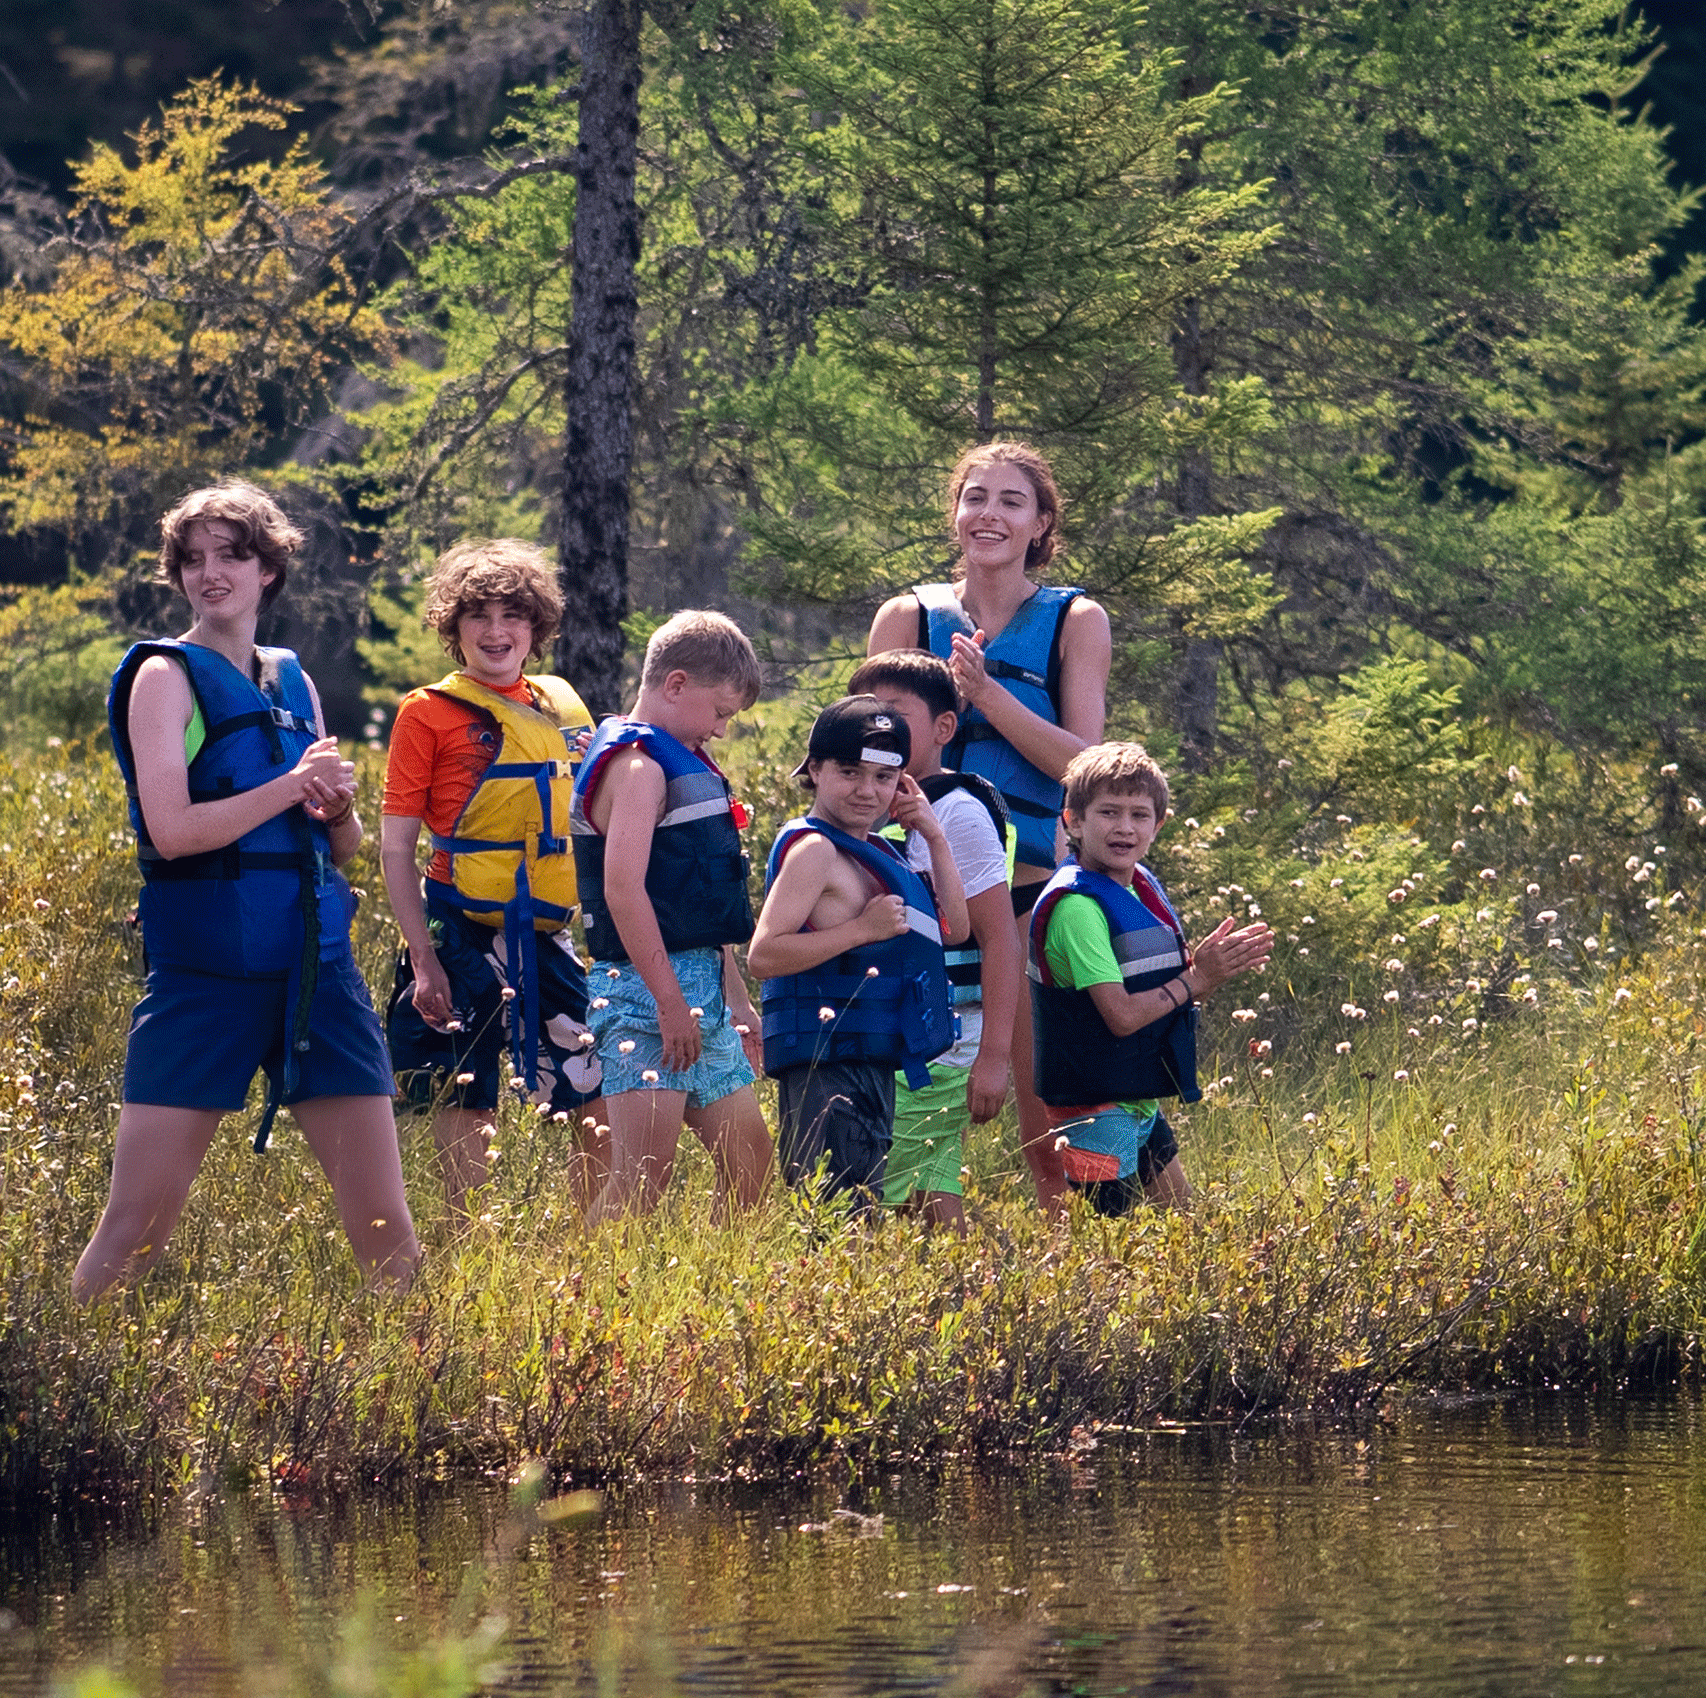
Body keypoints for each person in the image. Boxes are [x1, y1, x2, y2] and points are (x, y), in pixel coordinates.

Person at [74, 482, 420, 1302]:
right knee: (135, 1233)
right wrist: (291, 786)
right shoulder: (165, 677)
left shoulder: (293, 683)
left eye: (231, 554)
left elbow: (347, 843)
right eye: (192, 559)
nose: (210, 573)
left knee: (386, 1233)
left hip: (318, 976)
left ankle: (422, 1405)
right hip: (205, 978)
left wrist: (333, 808)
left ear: (269, 568)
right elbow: (173, 830)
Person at [867, 441, 1111, 1213]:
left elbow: (1087, 764)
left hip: (1026, 893)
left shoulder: (1076, 620)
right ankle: (919, 1262)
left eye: (1012, 502)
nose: (990, 515)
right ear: (956, 512)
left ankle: (1068, 1269)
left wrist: (988, 697)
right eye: (976, 498)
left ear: (1041, 523)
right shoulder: (907, 616)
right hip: (917, 896)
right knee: (916, 1123)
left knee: (1051, 1121)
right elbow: (864, 748)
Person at [381, 539, 606, 1214]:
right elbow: (397, 851)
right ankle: (466, 1256)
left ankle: (590, 1254)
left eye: (513, 614)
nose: (496, 630)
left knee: (594, 1094)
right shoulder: (427, 712)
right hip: (460, 929)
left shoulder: (559, 704)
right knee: (467, 1098)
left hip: (546, 932)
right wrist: (424, 960)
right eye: (477, 615)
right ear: (454, 628)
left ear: (537, 626)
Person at [571, 611, 774, 1224]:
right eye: (719, 713)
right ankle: (579, 1304)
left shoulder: (677, 758)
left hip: (700, 993)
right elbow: (624, 892)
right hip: (644, 996)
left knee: (751, 1165)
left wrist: (734, 1000)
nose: (719, 729)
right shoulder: (639, 767)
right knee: (639, 1183)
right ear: (676, 684)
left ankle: (712, 1294)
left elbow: (696, 910)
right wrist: (667, 1002)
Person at [1030, 744, 1272, 1214]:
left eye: (1140, 814)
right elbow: (1120, 1016)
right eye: (1109, 812)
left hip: (1134, 1096)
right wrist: (1199, 978)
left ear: (1158, 825)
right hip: (1094, 1107)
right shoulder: (1078, 908)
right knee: (1104, 1244)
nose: (1125, 827)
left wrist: (1207, 968)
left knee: (1181, 1223)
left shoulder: (1137, 883)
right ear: (1073, 821)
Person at [748, 696, 968, 1213]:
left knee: (859, 1220)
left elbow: (955, 929)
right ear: (816, 770)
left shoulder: (885, 851)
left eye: (883, 778)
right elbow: (763, 954)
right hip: (826, 1064)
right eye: (850, 772)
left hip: (871, 1062)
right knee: (833, 1225)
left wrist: (934, 835)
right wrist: (859, 931)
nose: (867, 791)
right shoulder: (816, 851)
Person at [846, 649, 1019, 1234]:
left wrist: (994, 1057)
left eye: (894, 713)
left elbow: (998, 940)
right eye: (867, 712)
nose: (880, 727)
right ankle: (967, 1306)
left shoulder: (958, 812)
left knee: (887, 1190)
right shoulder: (872, 808)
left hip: (943, 1037)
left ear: (944, 727)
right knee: (928, 1192)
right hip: (905, 1030)